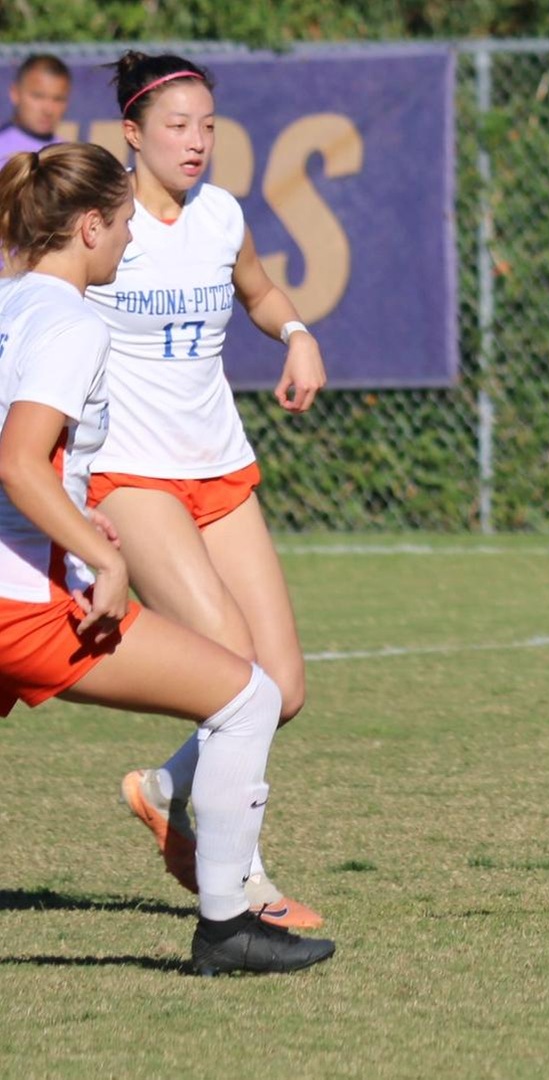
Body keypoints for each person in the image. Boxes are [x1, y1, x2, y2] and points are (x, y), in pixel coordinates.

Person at [0, 142, 332, 975]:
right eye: (120, 227)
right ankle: (227, 927)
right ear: (87, 227)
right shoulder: (72, 319)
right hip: (28, 607)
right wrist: (100, 561)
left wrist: (77, 523)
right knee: (248, 697)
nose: (126, 243)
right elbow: (16, 460)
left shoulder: (6, 304)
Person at [87, 53, 329, 930]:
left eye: (208, 126)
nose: (196, 143)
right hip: (129, 478)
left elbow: (259, 293)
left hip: (220, 469)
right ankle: (243, 887)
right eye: (177, 126)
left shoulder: (221, 214)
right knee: (236, 678)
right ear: (132, 133)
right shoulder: (96, 224)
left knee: (284, 688)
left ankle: (163, 789)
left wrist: (295, 333)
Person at [0, 56, 69, 166]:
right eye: (38, 96)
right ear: (15, 93)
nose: (48, 109)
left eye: (58, 99)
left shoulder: (70, 156)